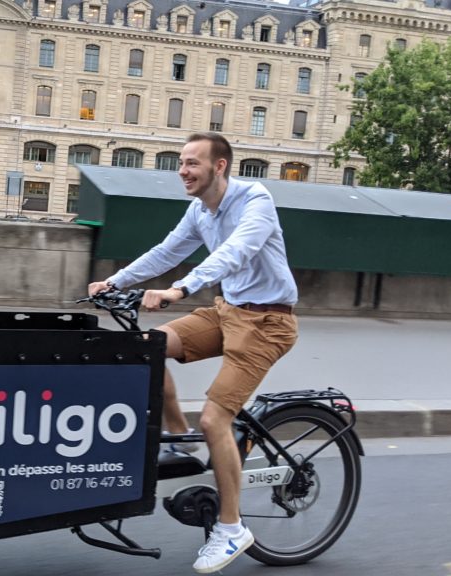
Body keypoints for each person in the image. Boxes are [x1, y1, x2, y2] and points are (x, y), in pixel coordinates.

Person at [88, 132, 298, 574]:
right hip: (227, 312)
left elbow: (235, 253)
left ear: (219, 166)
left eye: (192, 163)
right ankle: (180, 447)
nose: (182, 170)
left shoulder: (255, 200)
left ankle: (232, 527)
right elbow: (168, 250)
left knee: (215, 418)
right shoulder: (199, 209)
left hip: (267, 324)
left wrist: (181, 288)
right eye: (181, 162)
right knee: (148, 348)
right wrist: (116, 282)